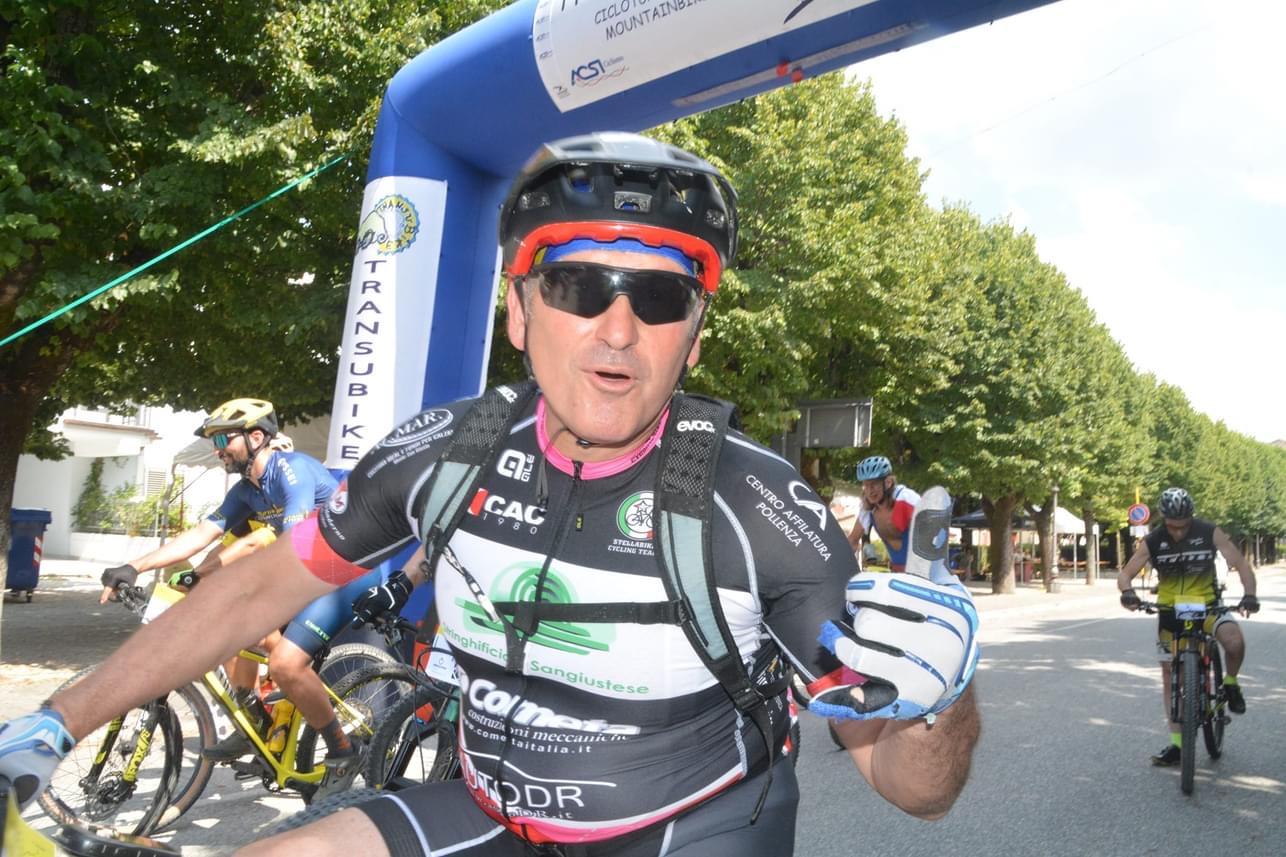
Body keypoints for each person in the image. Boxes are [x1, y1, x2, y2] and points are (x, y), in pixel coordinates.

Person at [0, 133, 980, 856]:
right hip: (492, 814)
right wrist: (57, 718)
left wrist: (941, 699)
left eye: (659, 298)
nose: (617, 328)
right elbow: (256, 589)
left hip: (693, 828)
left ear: (692, 337)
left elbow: (913, 788)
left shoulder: (757, 504)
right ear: (518, 310)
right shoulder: (448, 448)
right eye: (580, 286)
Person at [97, 398, 382, 798]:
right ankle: (256, 719)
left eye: (223, 440)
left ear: (256, 436)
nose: (218, 450)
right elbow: (201, 534)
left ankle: (342, 748)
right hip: (305, 570)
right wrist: (135, 566)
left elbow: (289, 545)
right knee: (230, 630)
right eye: (213, 442)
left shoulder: (292, 471)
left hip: (344, 571)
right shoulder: (248, 491)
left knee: (283, 661)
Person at [1117, 486, 1259, 766]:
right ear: (1163, 519)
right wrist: (1128, 593)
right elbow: (1125, 574)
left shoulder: (1209, 531)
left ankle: (1231, 683)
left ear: (1191, 517)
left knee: (1234, 642)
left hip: (1208, 606)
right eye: (1173, 525)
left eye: (1183, 525)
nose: (1179, 530)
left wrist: (1250, 595)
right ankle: (1178, 745)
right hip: (1171, 612)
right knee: (1170, 676)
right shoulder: (1153, 540)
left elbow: (1241, 564)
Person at [838, 455, 921, 572]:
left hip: (923, 572)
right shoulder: (868, 509)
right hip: (899, 572)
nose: (869, 491)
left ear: (888, 482)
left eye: (874, 484)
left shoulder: (906, 498)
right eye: (866, 485)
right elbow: (852, 541)